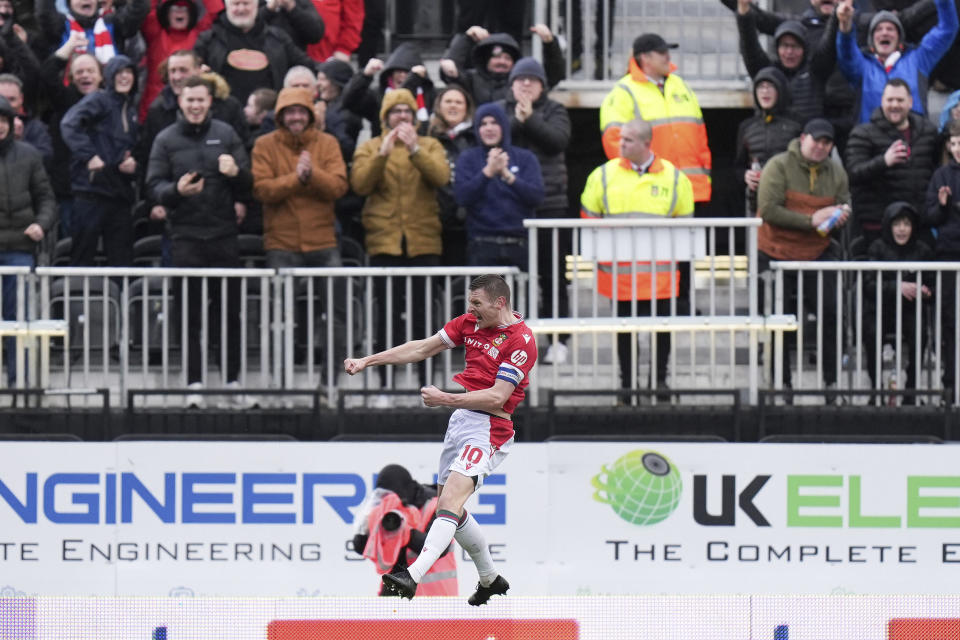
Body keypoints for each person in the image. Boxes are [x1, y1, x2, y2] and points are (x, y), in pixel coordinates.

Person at [343, 273, 537, 604]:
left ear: (499, 302)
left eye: (477, 302)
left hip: (490, 428)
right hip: (462, 422)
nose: (471, 309)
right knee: (454, 509)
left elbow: (496, 397)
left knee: (446, 504)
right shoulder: (469, 324)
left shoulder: (521, 340)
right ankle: (489, 578)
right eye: (470, 302)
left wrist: (445, 398)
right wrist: (367, 361)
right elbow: (422, 347)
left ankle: (412, 574)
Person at [146, 75, 252, 408]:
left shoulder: (227, 133)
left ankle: (232, 381)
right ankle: (193, 383)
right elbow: (152, 186)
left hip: (223, 236)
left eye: (200, 100)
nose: (195, 106)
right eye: (189, 100)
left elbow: (250, 185)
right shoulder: (165, 138)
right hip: (185, 238)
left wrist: (237, 174)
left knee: (229, 313)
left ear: (210, 102)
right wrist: (175, 191)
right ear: (180, 101)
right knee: (189, 314)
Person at [580, 117, 694, 401]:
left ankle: (659, 383)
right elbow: (588, 216)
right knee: (624, 334)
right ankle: (627, 386)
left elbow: (685, 224)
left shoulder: (673, 176)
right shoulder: (603, 175)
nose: (621, 144)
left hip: (661, 275)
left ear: (646, 143)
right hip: (620, 276)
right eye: (621, 139)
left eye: (628, 140)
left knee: (662, 332)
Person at [349, 88, 449, 391]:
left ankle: (426, 382)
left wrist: (415, 150)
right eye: (396, 112)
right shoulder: (370, 146)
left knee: (423, 317)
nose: (402, 117)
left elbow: (441, 178)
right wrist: (383, 154)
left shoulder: (430, 144)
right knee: (387, 316)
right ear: (386, 117)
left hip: (423, 242)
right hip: (385, 242)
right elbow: (360, 184)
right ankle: (385, 383)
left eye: (407, 111)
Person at [756, 118, 851, 400]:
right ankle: (780, 384)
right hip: (775, 255)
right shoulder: (778, 165)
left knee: (832, 316)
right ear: (803, 138)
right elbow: (769, 210)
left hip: (817, 253)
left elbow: (845, 202)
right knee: (779, 321)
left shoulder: (836, 173)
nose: (821, 146)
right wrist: (813, 220)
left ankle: (832, 384)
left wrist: (841, 215)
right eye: (817, 140)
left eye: (827, 142)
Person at [496, 56, 572, 364]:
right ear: (511, 84)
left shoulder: (556, 110)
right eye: (520, 79)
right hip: (510, 206)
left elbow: (558, 140)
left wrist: (531, 120)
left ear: (543, 85)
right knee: (510, 279)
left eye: (533, 79)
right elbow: (494, 138)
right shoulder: (501, 110)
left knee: (553, 276)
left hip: (550, 206)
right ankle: (511, 340)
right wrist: (517, 119)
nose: (526, 84)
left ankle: (558, 339)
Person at [599, 33, 712, 210]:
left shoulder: (681, 86)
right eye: (662, 52)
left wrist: (705, 171)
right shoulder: (623, 92)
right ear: (645, 58)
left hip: (692, 189)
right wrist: (638, 179)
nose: (668, 57)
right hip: (652, 192)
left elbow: (699, 134)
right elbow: (615, 142)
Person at [60, 54, 139, 266]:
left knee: (122, 260)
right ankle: (75, 299)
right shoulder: (98, 99)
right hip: (91, 191)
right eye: (119, 73)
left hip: (119, 193)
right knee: (82, 256)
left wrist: (133, 165)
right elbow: (68, 124)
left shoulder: (130, 110)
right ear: (109, 76)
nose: (124, 77)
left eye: (129, 72)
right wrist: (89, 156)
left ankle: (121, 299)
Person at [0, 95, 55, 386]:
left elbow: (46, 198)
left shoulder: (29, 155)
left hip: (20, 249)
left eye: (3, 120)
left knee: (17, 318)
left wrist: (41, 224)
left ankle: (17, 379)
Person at [844, 77, 938, 247]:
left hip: (917, 226)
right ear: (882, 101)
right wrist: (884, 161)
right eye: (890, 100)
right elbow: (852, 174)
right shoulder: (863, 133)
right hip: (876, 227)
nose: (894, 105)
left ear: (910, 102)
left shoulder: (928, 132)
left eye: (900, 100)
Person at [454, 102, 544, 272]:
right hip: (482, 244)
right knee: (489, 300)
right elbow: (462, 196)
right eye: (483, 124)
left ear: (503, 126)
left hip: (519, 244)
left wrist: (507, 176)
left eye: (494, 123)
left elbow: (537, 197)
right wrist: (488, 172)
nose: (489, 128)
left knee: (520, 299)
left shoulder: (525, 158)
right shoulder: (468, 158)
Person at [836, 0, 957, 124]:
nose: (884, 33)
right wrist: (845, 25)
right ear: (871, 40)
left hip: (915, 139)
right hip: (871, 140)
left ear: (900, 38)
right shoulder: (862, 65)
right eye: (878, 29)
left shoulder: (918, 59)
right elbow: (846, 51)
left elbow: (947, 29)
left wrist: (944, 2)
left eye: (890, 29)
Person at [862, 202, 933, 404]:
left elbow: (933, 283)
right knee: (872, 332)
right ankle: (876, 390)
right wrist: (898, 287)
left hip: (911, 310)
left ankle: (911, 391)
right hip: (880, 309)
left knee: (919, 335)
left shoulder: (923, 250)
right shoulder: (877, 248)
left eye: (906, 224)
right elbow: (868, 286)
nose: (902, 229)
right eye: (897, 224)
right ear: (888, 226)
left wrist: (926, 292)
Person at [351, 463, 457, 597]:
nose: (393, 502)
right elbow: (361, 546)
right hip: (400, 598)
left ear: (407, 490)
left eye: (394, 497)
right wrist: (366, 526)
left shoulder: (436, 506)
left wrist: (408, 534)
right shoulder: (387, 515)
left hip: (436, 600)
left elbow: (440, 548)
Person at [193, 0, 316, 104]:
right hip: (224, 116)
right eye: (236, 4)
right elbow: (191, 70)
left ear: (256, 5)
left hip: (270, 116)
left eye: (246, 3)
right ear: (227, 6)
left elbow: (308, 65)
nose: (241, 9)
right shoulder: (209, 40)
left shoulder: (278, 38)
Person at [735, 0, 832, 126]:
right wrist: (743, 9)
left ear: (805, 50)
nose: (789, 52)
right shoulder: (768, 73)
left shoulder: (816, 73)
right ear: (777, 49)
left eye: (795, 46)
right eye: (784, 46)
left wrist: (839, 16)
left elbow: (829, 46)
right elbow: (750, 47)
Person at [439, 24, 565, 106]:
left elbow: (554, 75)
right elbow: (449, 70)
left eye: (507, 58)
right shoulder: (471, 80)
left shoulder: (522, 82)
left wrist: (549, 43)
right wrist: (467, 38)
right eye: (497, 57)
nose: (502, 62)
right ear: (486, 60)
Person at [734, 67, 802, 217]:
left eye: (770, 86)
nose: (765, 92)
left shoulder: (797, 124)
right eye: (761, 87)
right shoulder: (747, 127)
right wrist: (746, 175)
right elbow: (738, 167)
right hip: (757, 205)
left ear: (780, 90)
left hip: (790, 204)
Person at [138, 0, 222, 122]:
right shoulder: (155, 33)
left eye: (184, 9)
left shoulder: (200, 35)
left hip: (193, 108)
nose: (179, 12)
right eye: (174, 8)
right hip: (155, 108)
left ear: (191, 14)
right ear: (166, 13)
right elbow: (148, 7)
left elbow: (214, 10)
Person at [924, 119, 960, 395]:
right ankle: (950, 378)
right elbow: (931, 217)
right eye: (955, 143)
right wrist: (944, 205)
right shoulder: (941, 175)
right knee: (949, 317)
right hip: (949, 252)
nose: (958, 148)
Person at [340, 43, 434, 137]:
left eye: (408, 73)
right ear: (390, 74)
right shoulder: (378, 95)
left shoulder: (428, 94)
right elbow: (349, 101)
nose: (403, 75)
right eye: (398, 71)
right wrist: (364, 76)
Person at [428, 85, 475, 267]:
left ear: (466, 107)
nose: (453, 106)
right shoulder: (427, 136)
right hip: (434, 221)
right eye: (448, 101)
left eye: (458, 102)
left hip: (468, 222)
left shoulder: (476, 138)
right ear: (439, 106)